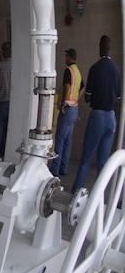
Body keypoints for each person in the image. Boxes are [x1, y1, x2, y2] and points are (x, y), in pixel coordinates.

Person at [74, 36, 122, 191]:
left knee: (87, 158)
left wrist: (97, 96)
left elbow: (87, 97)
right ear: (110, 48)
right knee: (103, 162)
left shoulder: (95, 68)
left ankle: (76, 193)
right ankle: (99, 196)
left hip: (98, 116)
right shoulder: (116, 70)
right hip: (111, 118)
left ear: (100, 47)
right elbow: (118, 99)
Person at [50, 48, 83, 177]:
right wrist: (76, 101)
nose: (65, 59)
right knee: (68, 141)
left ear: (70, 57)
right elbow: (82, 88)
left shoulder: (68, 71)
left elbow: (67, 86)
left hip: (67, 109)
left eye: (66, 56)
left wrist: (63, 103)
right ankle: (64, 167)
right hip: (74, 108)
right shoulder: (78, 72)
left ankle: (55, 169)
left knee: (60, 140)